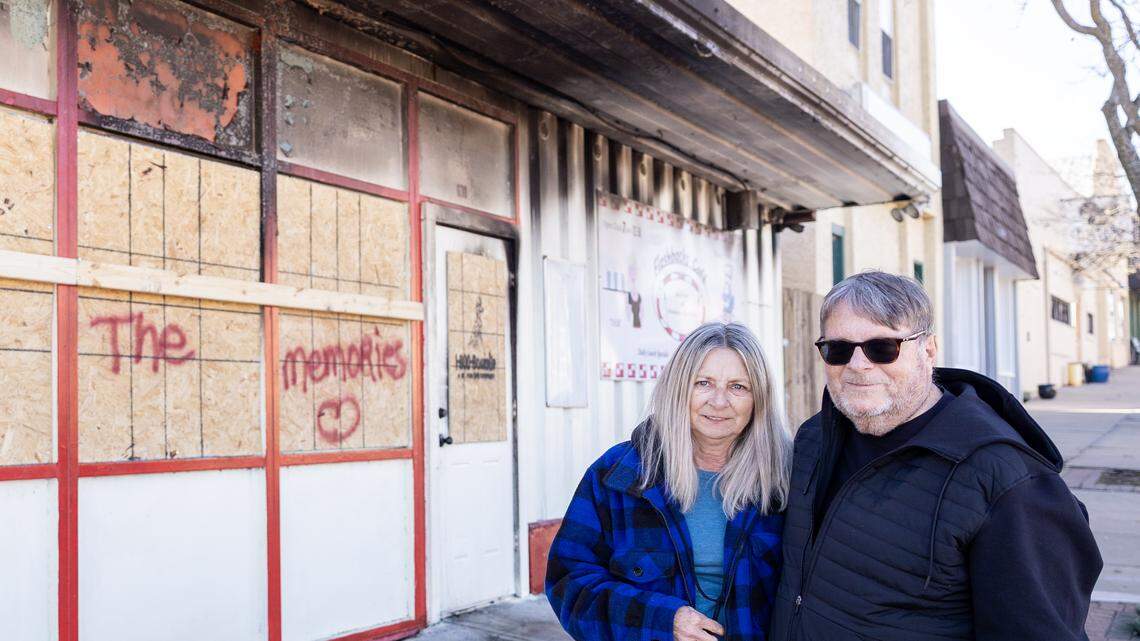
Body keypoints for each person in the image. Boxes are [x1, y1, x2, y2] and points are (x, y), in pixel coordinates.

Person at [770, 271, 1103, 641]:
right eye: (838, 349)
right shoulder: (813, 439)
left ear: (928, 350)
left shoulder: (1004, 479)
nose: (858, 365)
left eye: (883, 347)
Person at [547, 322, 793, 641]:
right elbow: (569, 584)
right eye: (703, 383)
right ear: (678, 389)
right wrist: (662, 621)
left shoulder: (787, 481)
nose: (719, 401)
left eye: (738, 387)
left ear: (758, 398)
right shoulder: (620, 475)